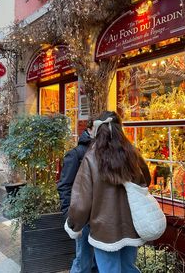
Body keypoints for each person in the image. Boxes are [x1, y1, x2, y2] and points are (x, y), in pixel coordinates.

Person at [65, 111, 151, 273]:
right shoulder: (132, 153)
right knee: (128, 268)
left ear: (97, 131)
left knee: (109, 269)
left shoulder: (91, 158)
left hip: (104, 230)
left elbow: (81, 204)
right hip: (131, 225)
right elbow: (146, 181)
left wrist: (73, 225)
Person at [57, 118, 98, 273]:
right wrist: (70, 215)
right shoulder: (76, 154)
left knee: (96, 262)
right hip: (84, 218)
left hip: (102, 216)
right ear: (89, 129)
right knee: (83, 261)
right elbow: (64, 186)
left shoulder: (105, 151)